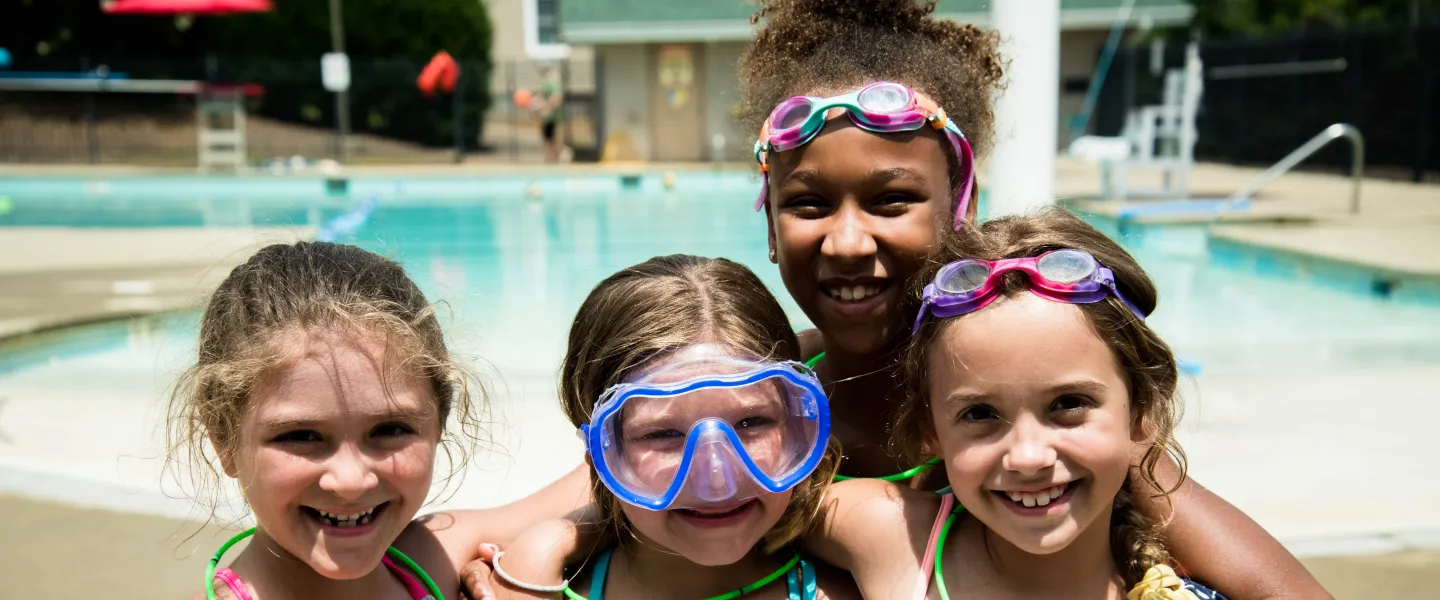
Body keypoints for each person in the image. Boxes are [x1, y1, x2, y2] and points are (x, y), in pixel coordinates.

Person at [808, 208, 1228, 599]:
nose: (1028, 457)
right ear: (931, 430)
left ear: (1141, 410)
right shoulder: (891, 537)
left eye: (1068, 403)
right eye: (979, 413)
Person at [482, 255, 859, 599]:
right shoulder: (531, 587)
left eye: (750, 422)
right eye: (664, 434)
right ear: (602, 453)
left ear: (796, 428)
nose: (717, 481)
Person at [168, 241, 492, 599]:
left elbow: (566, 502)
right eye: (302, 436)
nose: (350, 481)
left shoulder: (431, 559)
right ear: (223, 437)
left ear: (438, 424)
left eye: (390, 430)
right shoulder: (435, 558)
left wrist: (542, 555)